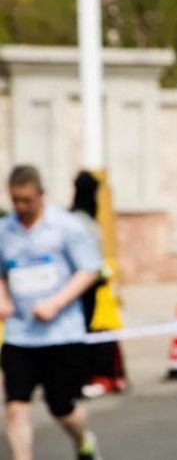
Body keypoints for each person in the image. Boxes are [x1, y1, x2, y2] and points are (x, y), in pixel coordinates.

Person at [0, 165, 103, 459]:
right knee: (16, 406)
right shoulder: (5, 230)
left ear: (41, 195)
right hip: (20, 334)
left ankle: (83, 440)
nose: (21, 207)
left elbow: (89, 269)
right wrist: (2, 299)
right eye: (16, 200)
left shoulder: (67, 226)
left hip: (61, 333)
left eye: (27, 200)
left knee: (61, 406)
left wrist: (56, 303)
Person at [70, 171, 128, 398]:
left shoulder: (79, 219)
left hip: (87, 283)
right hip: (82, 284)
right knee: (81, 330)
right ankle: (78, 378)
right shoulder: (81, 222)